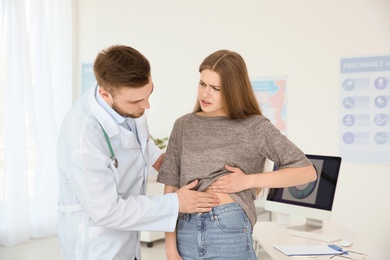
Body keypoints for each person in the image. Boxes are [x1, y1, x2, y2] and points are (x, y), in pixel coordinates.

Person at [56, 45, 220, 260]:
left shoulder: (132, 104)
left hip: (127, 238)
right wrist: (176, 202)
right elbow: (106, 211)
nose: (147, 105)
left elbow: (139, 141)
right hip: (97, 246)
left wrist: (160, 160)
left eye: (149, 93)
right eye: (136, 101)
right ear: (105, 94)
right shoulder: (83, 136)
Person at [157, 50, 317, 260]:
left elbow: (306, 172)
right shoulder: (184, 125)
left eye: (216, 88)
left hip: (227, 229)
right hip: (185, 230)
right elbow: (171, 188)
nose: (205, 94)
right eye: (202, 84)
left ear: (233, 90)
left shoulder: (254, 126)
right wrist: (170, 247)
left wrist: (247, 181)